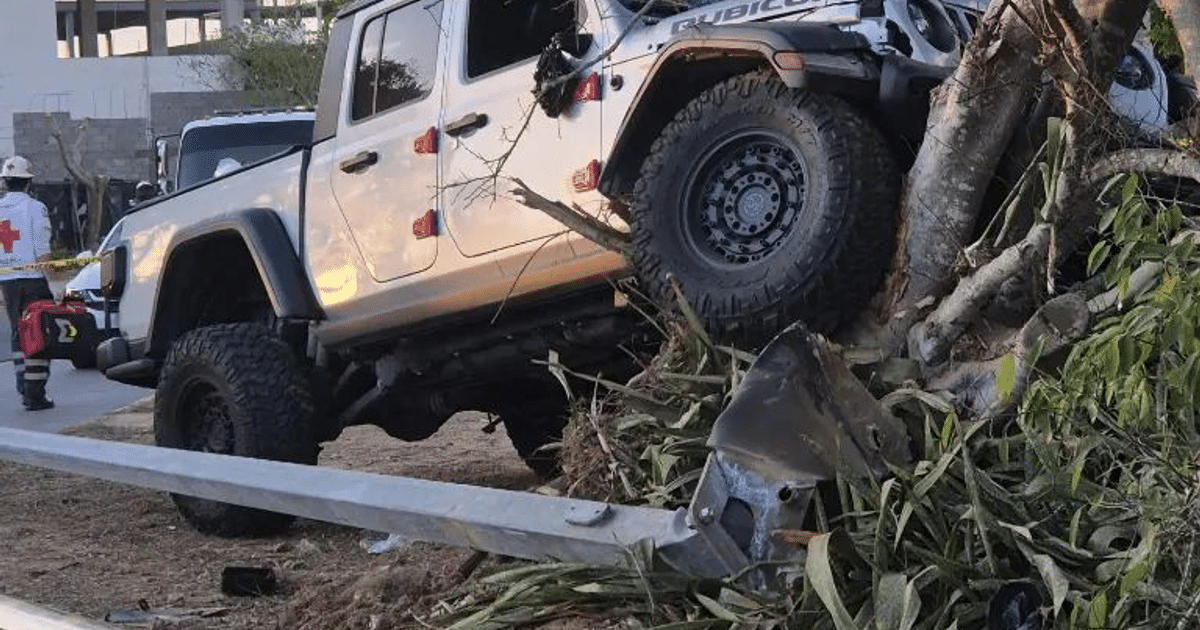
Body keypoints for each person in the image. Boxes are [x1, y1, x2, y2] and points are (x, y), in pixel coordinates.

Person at [0, 156, 55, 410]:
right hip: (33, 282)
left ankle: (23, 384)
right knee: (38, 333)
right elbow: (42, 253)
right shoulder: (35, 208)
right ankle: (35, 394)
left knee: (17, 333)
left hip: (8, 283)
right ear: (28, 182)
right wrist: (56, 284)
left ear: (5, 182)